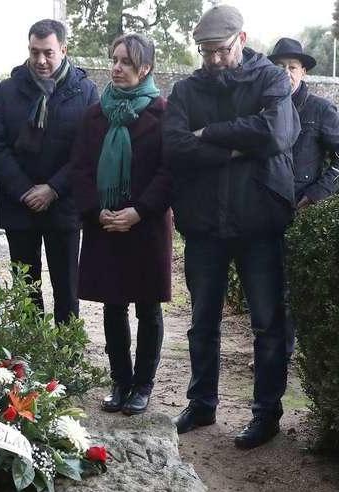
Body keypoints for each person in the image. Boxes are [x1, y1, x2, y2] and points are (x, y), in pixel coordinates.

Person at [163, 5, 299, 450]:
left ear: (242, 39)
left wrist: (210, 133)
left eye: (220, 50)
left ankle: (266, 413)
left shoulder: (272, 80)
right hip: (204, 224)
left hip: (260, 221)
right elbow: (176, 147)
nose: (214, 60)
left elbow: (276, 134)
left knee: (267, 323)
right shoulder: (186, 90)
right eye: (205, 52)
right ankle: (201, 403)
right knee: (202, 322)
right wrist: (235, 148)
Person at [71, 34, 171, 416]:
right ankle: (120, 380)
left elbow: (168, 171)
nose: (116, 67)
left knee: (148, 307)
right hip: (105, 225)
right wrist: (97, 211)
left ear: (145, 68)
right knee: (113, 306)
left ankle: (143, 384)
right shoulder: (95, 115)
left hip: (145, 227)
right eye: (114, 59)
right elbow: (80, 168)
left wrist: (139, 211)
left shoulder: (163, 113)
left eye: (126, 62)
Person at [0, 19, 98, 324]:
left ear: (63, 49)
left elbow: (88, 150)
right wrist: (24, 189)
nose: (40, 60)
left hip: (64, 204)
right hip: (19, 203)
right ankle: (30, 356)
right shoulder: (6, 91)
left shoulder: (85, 92)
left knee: (67, 287)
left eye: (48, 53)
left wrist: (54, 188)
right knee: (26, 289)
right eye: (34, 52)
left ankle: (65, 353)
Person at [268, 38, 339, 207]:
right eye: (279, 66)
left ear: (303, 72)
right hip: (262, 209)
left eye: (292, 67)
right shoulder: (262, 107)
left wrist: (315, 195)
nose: (286, 72)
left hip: (299, 208)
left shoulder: (321, 109)